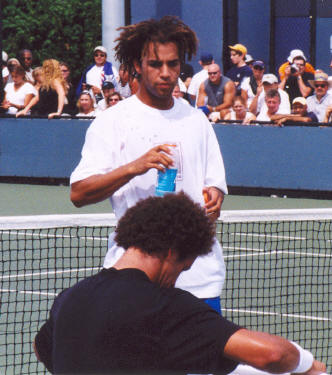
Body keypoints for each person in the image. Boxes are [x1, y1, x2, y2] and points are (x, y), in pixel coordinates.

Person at [34, 192, 326, 374]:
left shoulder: (71, 297)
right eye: (183, 268)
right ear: (171, 252)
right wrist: (306, 363)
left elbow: (41, 346)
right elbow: (273, 354)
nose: (176, 280)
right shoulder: (166, 307)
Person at [70, 16, 228, 313]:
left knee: (201, 362)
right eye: (156, 64)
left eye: (173, 64)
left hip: (199, 282)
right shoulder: (113, 121)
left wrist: (214, 201)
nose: (166, 73)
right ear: (137, 66)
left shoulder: (197, 121)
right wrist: (135, 166)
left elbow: (213, 194)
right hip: (133, 281)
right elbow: (79, 193)